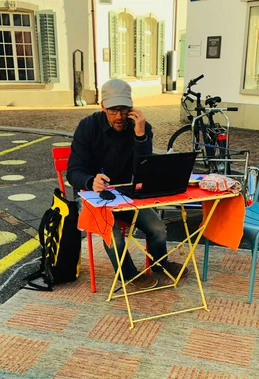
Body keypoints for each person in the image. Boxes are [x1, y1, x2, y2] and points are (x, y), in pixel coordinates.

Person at [67, 78, 188, 290]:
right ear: (103, 106)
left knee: (157, 227)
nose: (120, 116)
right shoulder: (88, 127)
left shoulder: (140, 127)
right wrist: (90, 180)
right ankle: (129, 275)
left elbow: (143, 171)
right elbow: (73, 172)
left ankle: (161, 265)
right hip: (90, 196)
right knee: (112, 232)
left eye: (124, 109)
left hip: (125, 193)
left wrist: (140, 136)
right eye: (114, 110)